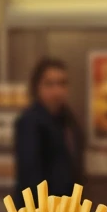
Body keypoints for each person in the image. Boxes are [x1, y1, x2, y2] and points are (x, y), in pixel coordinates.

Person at [14, 57, 82, 197]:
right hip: (39, 209)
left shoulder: (68, 119)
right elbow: (30, 175)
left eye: (62, 84)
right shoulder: (30, 121)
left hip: (67, 205)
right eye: (49, 84)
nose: (57, 91)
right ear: (37, 87)